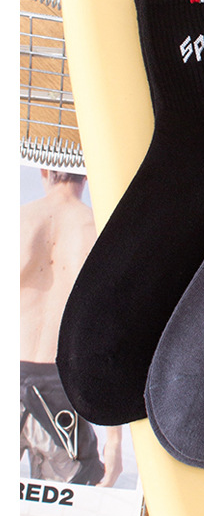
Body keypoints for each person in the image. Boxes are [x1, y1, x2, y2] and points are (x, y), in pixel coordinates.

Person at [20, 169, 123, 486]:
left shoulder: (17, 220)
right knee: (67, 502)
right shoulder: (102, 232)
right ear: (86, 178)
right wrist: (114, 442)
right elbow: (111, 339)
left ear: (44, 171)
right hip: (61, 386)